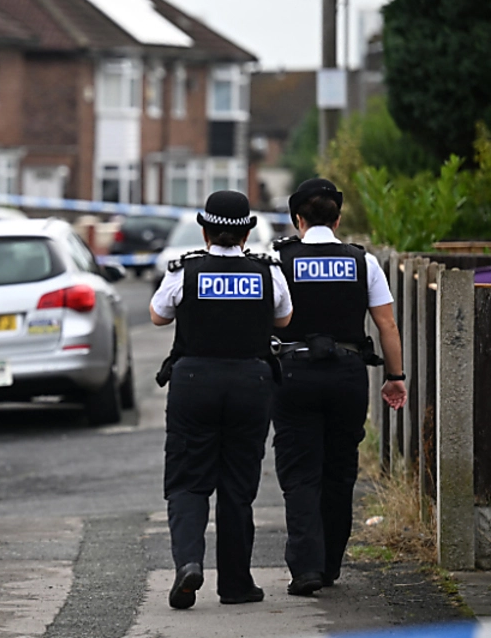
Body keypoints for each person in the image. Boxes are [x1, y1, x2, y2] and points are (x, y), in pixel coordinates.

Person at [150, 190, 293, 610]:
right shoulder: (267, 271)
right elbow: (284, 318)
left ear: (205, 232)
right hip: (251, 383)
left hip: (194, 382)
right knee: (237, 487)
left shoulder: (185, 271)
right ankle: (235, 584)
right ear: (247, 233)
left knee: (187, 480)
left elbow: (158, 315)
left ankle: (189, 563)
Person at [271, 178, 407, 596]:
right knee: (339, 470)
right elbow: (386, 325)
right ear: (338, 219)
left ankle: (306, 568)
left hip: (294, 374)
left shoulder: (279, 260)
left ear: (298, 219)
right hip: (347, 375)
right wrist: (395, 378)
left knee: (300, 471)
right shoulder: (362, 261)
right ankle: (329, 565)